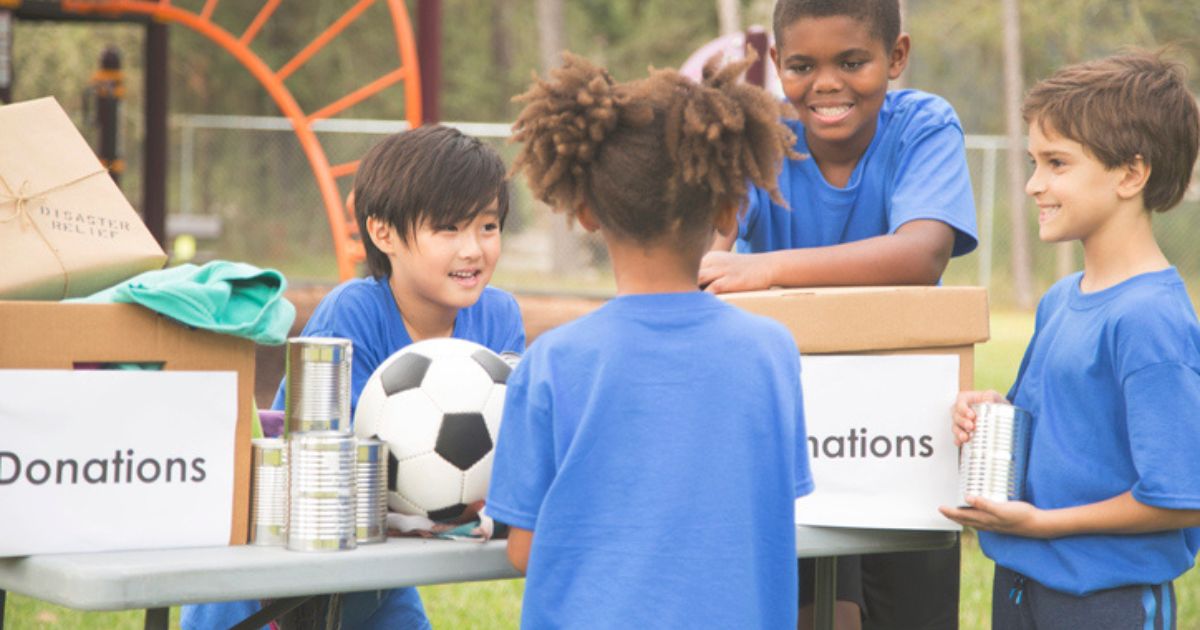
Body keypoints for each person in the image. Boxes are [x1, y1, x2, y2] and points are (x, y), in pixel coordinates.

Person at [486, 53, 813, 628]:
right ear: (728, 208)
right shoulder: (773, 350)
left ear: (584, 211)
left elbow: (523, 550)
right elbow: (766, 510)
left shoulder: (551, 362)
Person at [698, 1, 979, 628]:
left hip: (906, 426)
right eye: (802, 65)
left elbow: (922, 252)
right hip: (792, 414)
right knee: (815, 606)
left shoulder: (924, 125)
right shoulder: (761, 138)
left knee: (912, 607)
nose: (826, 84)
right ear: (775, 64)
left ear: (896, 57)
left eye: (852, 61)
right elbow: (703, 263)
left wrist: (770, 269)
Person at [181, 124, 525, 630]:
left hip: (374, 578)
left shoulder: (499, 317)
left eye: (488, 227)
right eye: (448, 228)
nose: (473, 249)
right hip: (273, 573)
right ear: (382, 232)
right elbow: (362, 468)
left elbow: (512, 447)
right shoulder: (352, 313)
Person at [941, 51, 1200, 630]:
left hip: (1109, 601)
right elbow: (1056, 429)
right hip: (1021, 587)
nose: (1034, 185)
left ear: (1131, 175)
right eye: (1034, 162)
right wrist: (990, 415)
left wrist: (1043, 524)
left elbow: (1180, 496)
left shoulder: (1149, 319)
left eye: (1057, 163)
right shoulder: (1061, 298)